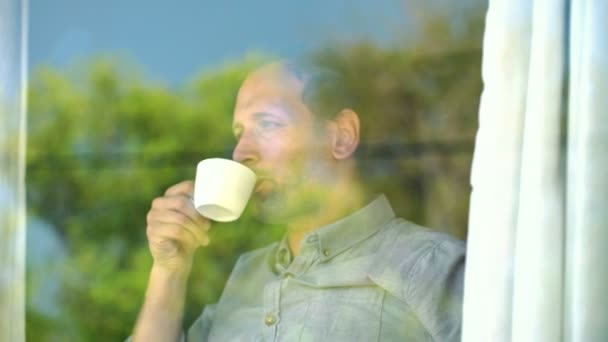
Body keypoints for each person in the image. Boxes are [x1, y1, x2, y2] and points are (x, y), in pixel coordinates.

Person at [130, 61, 465, 341]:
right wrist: (169, 270)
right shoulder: (244, 277)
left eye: (267, 124)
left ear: (342, 135)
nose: (241, 152)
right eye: (239, 133)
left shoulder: (432, 266)